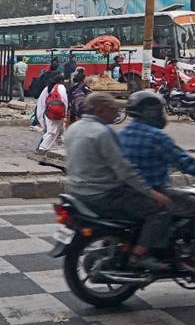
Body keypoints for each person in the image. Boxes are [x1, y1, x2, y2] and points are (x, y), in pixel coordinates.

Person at [119, 91, 195, 277]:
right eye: (159, 111)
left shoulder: (122, 133)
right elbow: (186, 162)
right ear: (151, 113)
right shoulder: (156, 137)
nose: (162, 114)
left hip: (128, 193)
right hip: (154, 192)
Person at [63, 92, 172, 270]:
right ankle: (139, 255)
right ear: (100, 110)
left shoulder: (74, 128)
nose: (117, 114)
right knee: (160, 210)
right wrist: (152, 193)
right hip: (103, 194)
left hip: (77, 192)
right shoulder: (102, 132)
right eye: (113, 109)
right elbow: (124, 169)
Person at [36, 72, 67, 151]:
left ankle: (58, 147)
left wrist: (41, 116)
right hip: (58, 113)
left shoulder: (48, 88)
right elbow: (64, 101)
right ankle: (42, 148)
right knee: (52, 133)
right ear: (61, 81)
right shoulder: (61, 87)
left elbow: (41, 102)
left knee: (56, 132)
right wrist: (65, 112)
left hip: (48, 113)